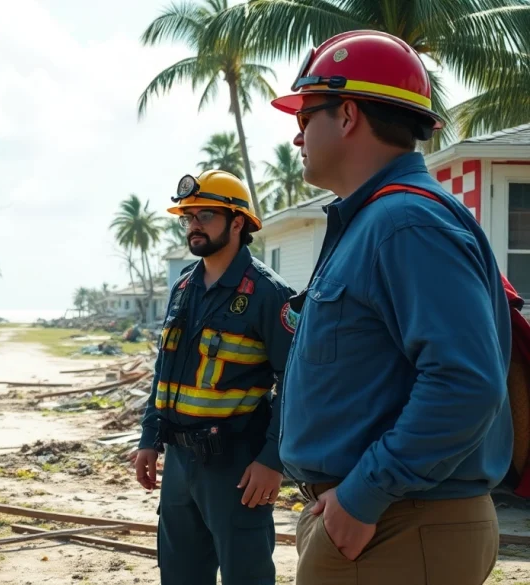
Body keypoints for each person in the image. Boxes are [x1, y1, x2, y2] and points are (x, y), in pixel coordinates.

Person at [270, 29, 513, 585]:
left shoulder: (404, 224)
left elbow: (465, 382)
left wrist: (363, 496)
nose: (297, 137)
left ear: (348, 114)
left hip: (397, 524)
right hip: (381, 520)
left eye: (305, 118)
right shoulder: (378, 221)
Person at [134, 170, 296, 585]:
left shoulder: (267, 293)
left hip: (237, 466)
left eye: (204, 215)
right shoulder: (184, 286)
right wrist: (149, 440)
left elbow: (296, 383)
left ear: (237, 222)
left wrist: (271, 462)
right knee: (180, 575)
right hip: (179, 463)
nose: (193, 226)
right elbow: (163, 372)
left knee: (247, 575)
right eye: (188, 217)